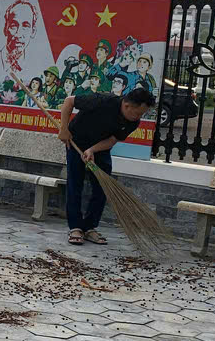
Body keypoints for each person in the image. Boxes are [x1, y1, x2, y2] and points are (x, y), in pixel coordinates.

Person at [58, 86, 156, 247]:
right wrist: (64, 129)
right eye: (138, 113)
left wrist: (92, 150)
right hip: (76, 142)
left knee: (102, 187)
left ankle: (89, 227)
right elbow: (69, 102)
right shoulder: (102, 101)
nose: (139, 117)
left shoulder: (132, 122)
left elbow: (112, 140)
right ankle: (75, 227)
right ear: (127, 105)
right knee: (75, 184)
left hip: (100, 148)